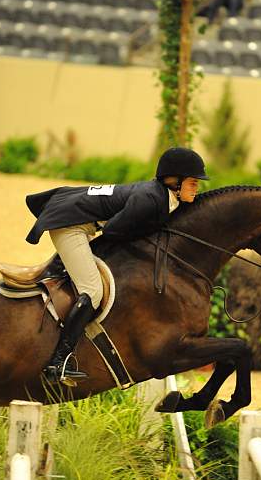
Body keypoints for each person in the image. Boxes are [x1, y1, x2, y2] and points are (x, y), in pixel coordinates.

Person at [25, 147, 209, 384]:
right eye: (194, 182)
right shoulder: (151, 200)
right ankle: (58, 362)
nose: (197, 187)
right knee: (92, 290)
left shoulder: (164, 197)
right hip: (70, 225)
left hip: (83, 221)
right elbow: (112, 231)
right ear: (175, 182)